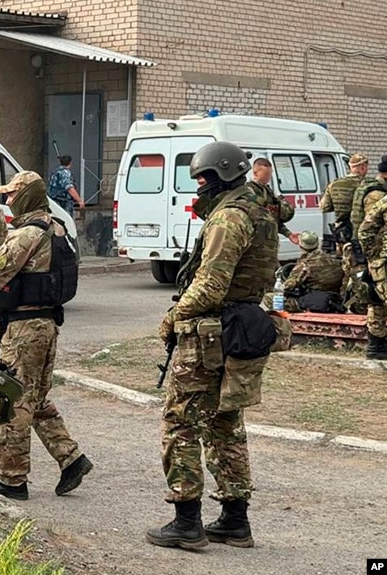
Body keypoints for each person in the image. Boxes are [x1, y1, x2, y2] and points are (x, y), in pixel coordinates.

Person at [149, 141, 279, 550]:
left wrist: (173, 317)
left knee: (181, 423)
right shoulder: (259, 210)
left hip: (212, 333)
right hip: (240, 326)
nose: (199, 186)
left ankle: (187, 522)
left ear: (221, 175)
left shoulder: (228, 218)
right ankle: (235, 521)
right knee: (225, 425)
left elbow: (210, 284)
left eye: (203, 178)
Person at [0, 170, 92, 501]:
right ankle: (71, 459)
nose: (8, 201)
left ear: (27, 196)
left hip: (22, 329)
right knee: (37, 398)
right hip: (45, 325)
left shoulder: (26, 233)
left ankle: (12, 479)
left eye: (12, 195)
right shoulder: (53, 227)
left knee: (12, 401)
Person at [262, 231, 343, 312]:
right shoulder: (332, 259)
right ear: (318, 243)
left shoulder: (305, 265)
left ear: (301, 245)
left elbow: (287, 287)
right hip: (333, 300)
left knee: (270, 298)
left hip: (314, 302)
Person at [355, 156, 387, 360]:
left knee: (376, 301)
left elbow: (365, 230)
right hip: (381, 259)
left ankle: (376, 347)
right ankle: (377, 347)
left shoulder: (383, 200)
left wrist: (373, 257)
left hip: (382, 261)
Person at [321, 153, 371, 254]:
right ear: (362, 167)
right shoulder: (369, 184)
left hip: (342, 231)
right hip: (363, 230)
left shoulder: (334, 184)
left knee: (346, 262)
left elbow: (324, 207)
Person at [247, 157, 298, 244]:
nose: (269, 177)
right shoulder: (249, 192)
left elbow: (273, 218)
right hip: (254, 243)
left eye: (270, 174)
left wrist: (288, 234)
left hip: (269, 243)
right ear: (255, 173)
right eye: (266, 174)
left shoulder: (268, 191)